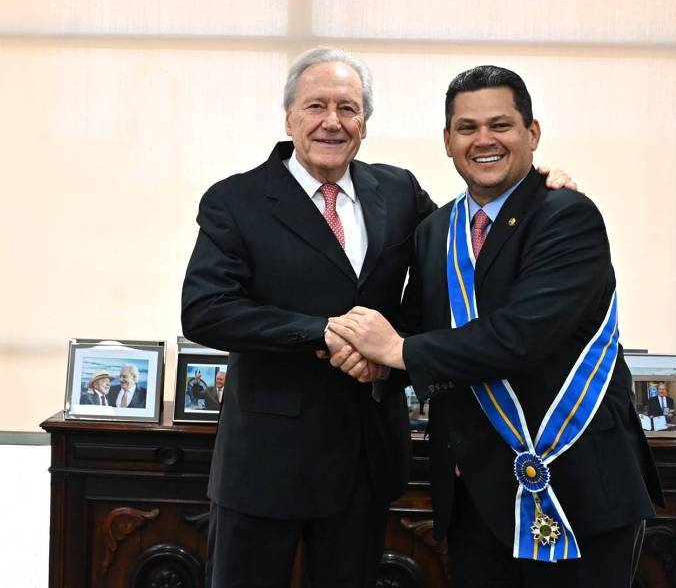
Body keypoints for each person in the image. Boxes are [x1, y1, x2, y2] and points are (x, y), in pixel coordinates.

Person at [182, 48, 576, 586]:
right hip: (265, 465)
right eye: (315, 106)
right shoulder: (237, 199)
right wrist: (323, 332)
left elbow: (464, 252)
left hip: (365, 460)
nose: (332, 122)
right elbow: (205, 310)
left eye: (348, 108)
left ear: (364, 123)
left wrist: (531, 189)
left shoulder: (397, 190)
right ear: (289, 117)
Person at [328, 65, 662, 588]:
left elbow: (521, 336)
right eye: (467, 128)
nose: (484, 140)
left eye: (501, 125)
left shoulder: (567, 215)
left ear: (532, 133)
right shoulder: (436, 229)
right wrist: (373, 365)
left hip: (579, 483)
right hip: (474, 495)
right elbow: (418, 326)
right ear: (447, 140)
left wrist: (395, 351)